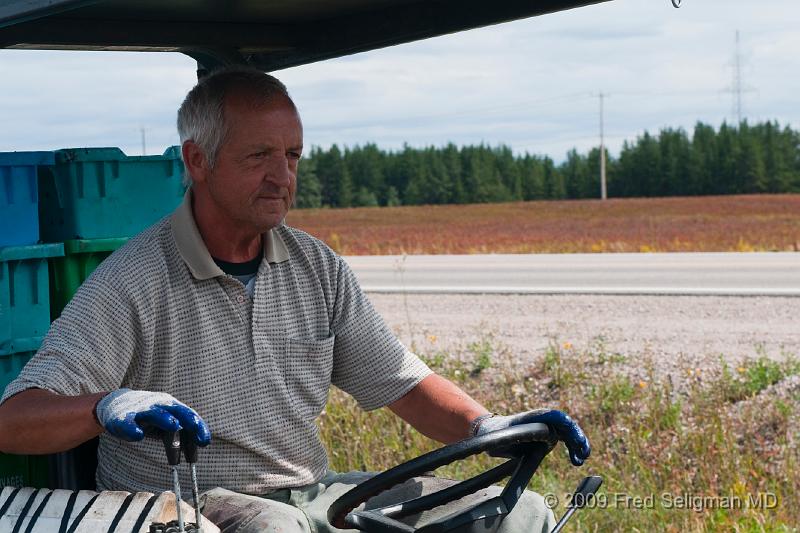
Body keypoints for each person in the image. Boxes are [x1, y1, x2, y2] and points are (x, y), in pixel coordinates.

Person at [0, 67, 589, 532]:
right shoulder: (132, 280)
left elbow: (402, 384)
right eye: (259, 156)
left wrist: (489, 424)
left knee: (519, 512)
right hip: (189, 508)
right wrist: (105, 405)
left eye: (292, 156)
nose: (282, 176)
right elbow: (13, 420)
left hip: (312, 495)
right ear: (197, 160)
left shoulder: (317, 267)